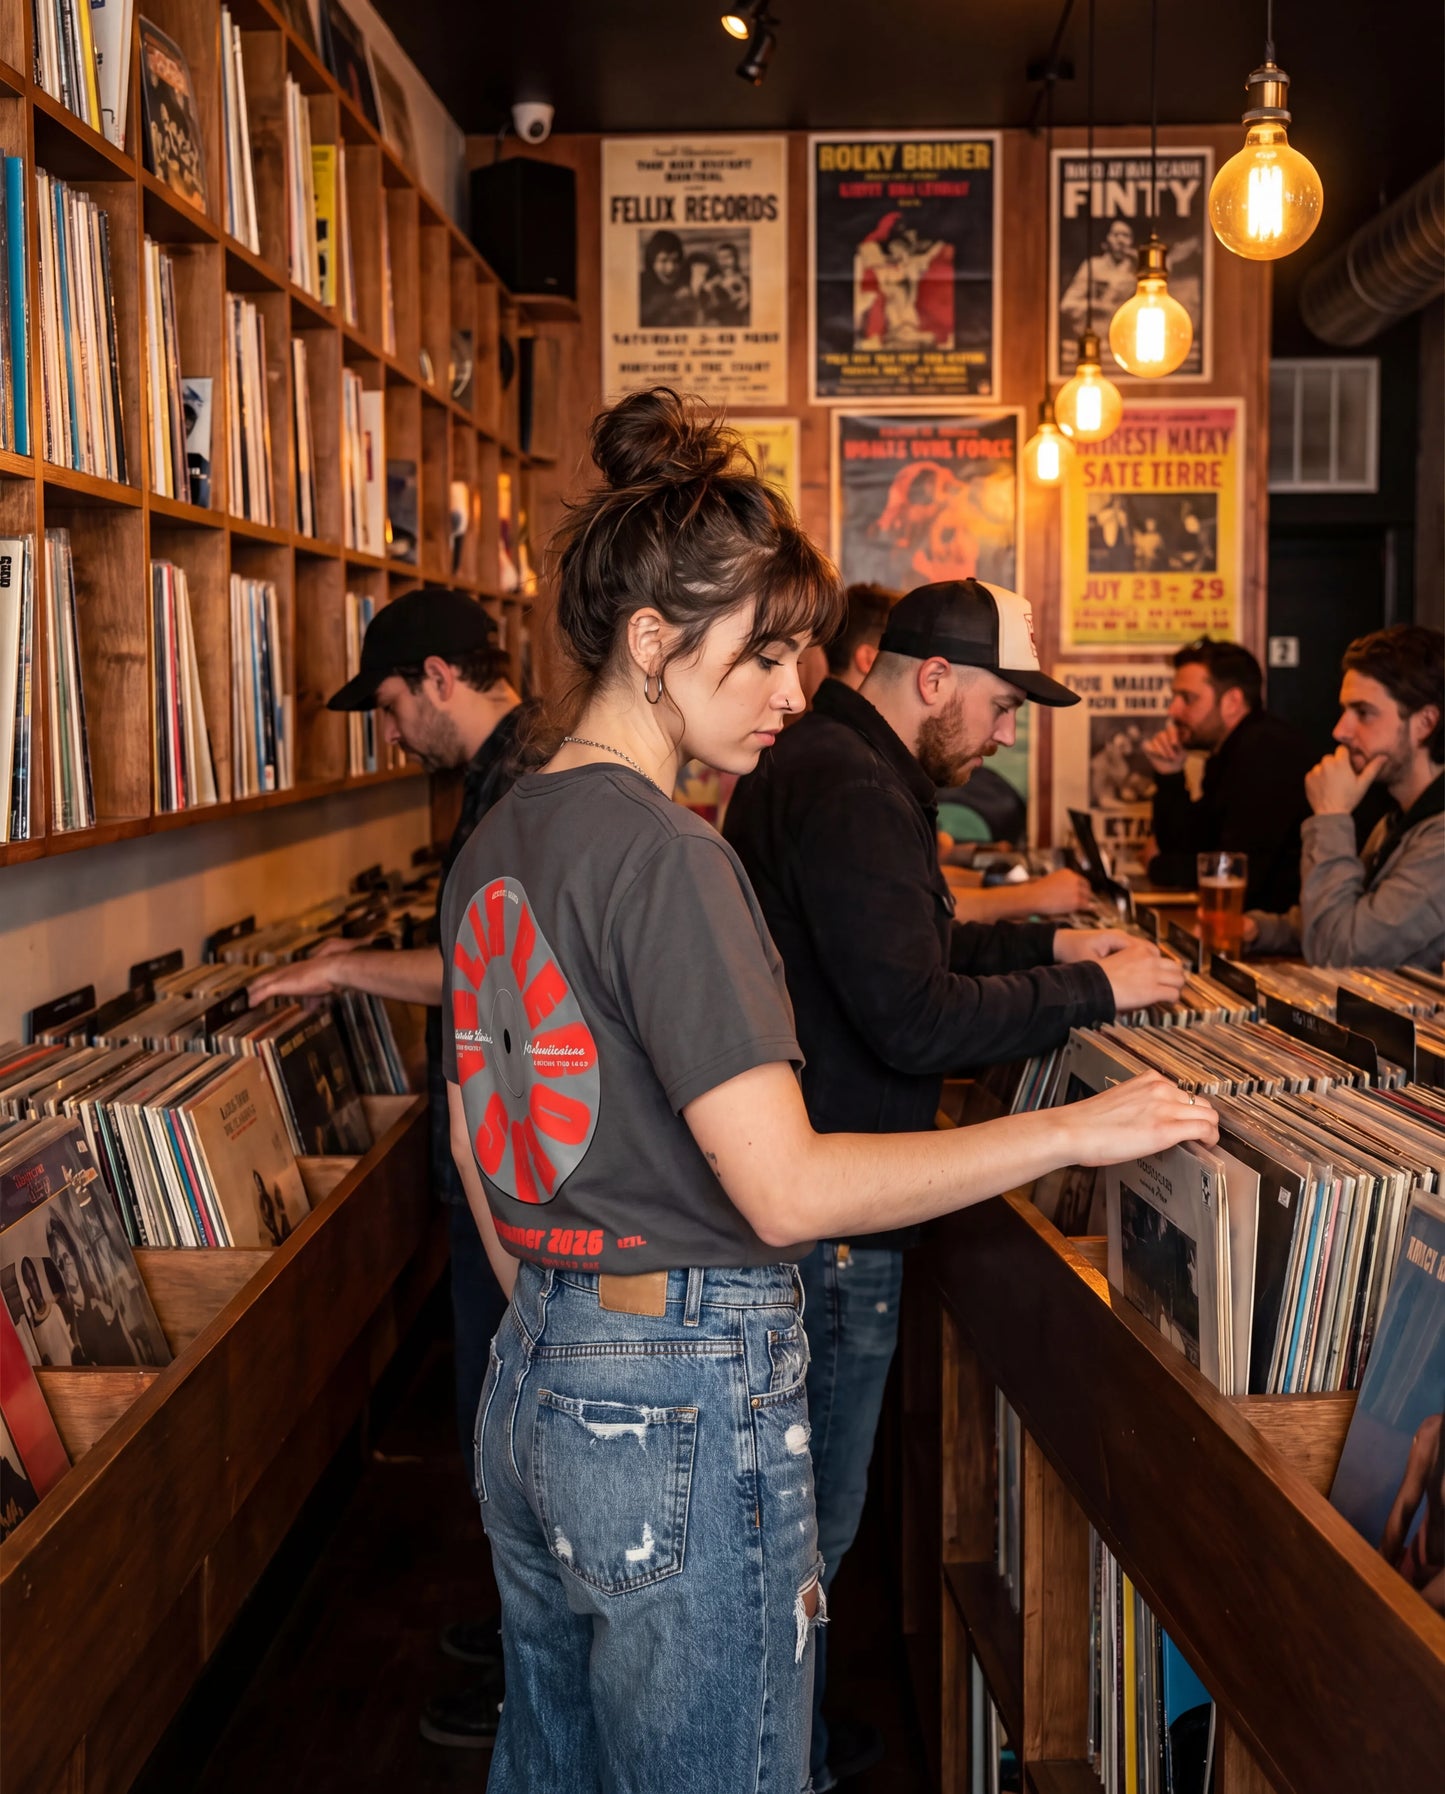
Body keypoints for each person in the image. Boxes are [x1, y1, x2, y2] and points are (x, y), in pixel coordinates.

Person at [440, 388, 1215, 1794]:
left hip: (537, 1370)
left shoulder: (503, 833)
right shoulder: (667, 855)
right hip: (680, 1386)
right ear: (653, 643)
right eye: (765, 657)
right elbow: (788, 1188)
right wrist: (1080, 1126)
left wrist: (564, 1322)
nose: (795, 694)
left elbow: (473, 1123)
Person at [723, 576, 1188, 1790]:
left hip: (826, 1197)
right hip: (830, 1221)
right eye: (996, 705)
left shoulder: (848, 768)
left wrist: (1047, 945)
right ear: (931, 680)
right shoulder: (851, 786)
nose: (1003, 733)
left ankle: (803, 1742)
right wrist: (1093, 991)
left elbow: (895, 952)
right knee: (805, 1537)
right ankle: (794, 1766)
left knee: (801, 1530)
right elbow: (913, 1019)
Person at [247, 588, 525, 1749]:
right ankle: (524, 1645)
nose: (392, 732)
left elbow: (483, 981)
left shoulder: (522, 783)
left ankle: (532, 1687)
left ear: (436, 676)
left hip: (513, 1174)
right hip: (502, 1165)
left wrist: (353, 970)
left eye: (394, 705)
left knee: (509, 1428)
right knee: (495, 1425)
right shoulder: (513, 769)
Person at [1244, 625, 1444, 970]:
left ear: (1424, 723)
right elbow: (1342, 914)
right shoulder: (1400, 819)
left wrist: (1331, 816)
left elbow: (1340, 954)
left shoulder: (1440, 838)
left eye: (1363, 712)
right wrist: (1261, 929)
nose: (1340, 730)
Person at [1143, 637, 1314, 911]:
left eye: (1187, 698)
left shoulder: (1266, 751)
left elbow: (1236, 871)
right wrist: (1170, 776)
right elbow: (1191, 844)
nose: (1172, 710)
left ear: (1232, 701)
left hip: (1280, 938)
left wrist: (1158, 865)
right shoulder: (1229, 752)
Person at [1059, 218, 1138, 343]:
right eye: (1116, 235)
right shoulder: (1093, 266)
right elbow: (1067, 304)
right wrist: (1097, 306)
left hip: (1126, 339)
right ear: (1106, 240)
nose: (1121, 241)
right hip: (1094, 339)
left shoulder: (1137, 272)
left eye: (1126, 236)